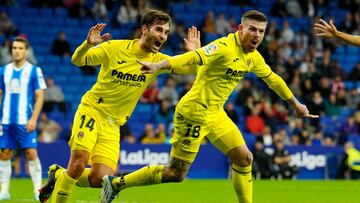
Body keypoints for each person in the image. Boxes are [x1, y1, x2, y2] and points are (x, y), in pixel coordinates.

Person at [101, 10, 318, 203]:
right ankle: (116, 183)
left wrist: (295, 104)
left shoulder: (253, 57)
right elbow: (193, 58)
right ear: (240, 28)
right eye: (252, 29)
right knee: (175, 174)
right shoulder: (223, 47)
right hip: (193, 113)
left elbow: (273, 79)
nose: (257, 35)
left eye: (261, 31)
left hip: (215, 114)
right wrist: (158, 65)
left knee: (245, 158)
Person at [38, 9, 201, 203]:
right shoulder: (114, 48)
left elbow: (192, 68)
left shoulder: (158, 61)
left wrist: (194, 53)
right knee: (78, 163)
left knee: (100, 179)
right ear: (144, 29)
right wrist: (87, 45)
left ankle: (57, 175)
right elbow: (78, 60)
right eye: (159, 30)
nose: (163, 36)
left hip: (113, 124)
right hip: (92, 110)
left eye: (166, 32)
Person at [0, 36, 46, 201]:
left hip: (25, 121)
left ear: (26, 51)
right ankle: (4, 191)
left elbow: (40, 96)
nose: (16, 51)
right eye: (14, 48)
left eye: (20, 48)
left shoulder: (34, 71)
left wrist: (34, 119)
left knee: (31, 153)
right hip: (5, 121)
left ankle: (37, 191)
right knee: (4, 154)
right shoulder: (3, 71)